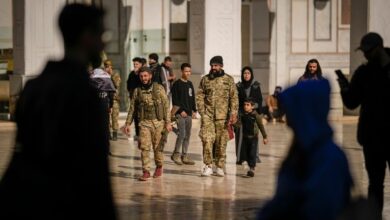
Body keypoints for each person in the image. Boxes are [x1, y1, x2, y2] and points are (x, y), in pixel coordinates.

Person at [0, 3, 116, 219]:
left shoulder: (34, 87)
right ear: (86, 37)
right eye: (101, 34)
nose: (103, 42)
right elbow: (93, 172)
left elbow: (23, 155)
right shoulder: (83, 94)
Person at [258, 79, 353, 220]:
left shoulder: (329, 159)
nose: (287, 114)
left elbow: (318, 210)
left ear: (304, 111)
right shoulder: (301, 148)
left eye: (292, 108)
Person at [336, 32, 390, 219]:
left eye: (368, 51)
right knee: (375, 184)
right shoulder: (364, 72)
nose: (365, 55)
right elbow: (352, 102)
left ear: (378, 48)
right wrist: (344, 87)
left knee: (375, 184)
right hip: (373, 138)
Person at [124, 67, 172, 181]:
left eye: (145, 76)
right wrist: (127, 124)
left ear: (150, 76)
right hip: (144, 123)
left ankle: (159, 166)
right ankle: (146, 171)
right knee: (145, 148)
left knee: (157, 148)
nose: (143, 78)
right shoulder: (137, 91)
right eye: (141, 76)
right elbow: (132, 109)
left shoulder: (159, 88)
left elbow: (166, 107)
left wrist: (168, 123)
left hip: (158, 123)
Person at [196, 55, 239, 177]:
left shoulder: (228, 80)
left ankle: (220, 166)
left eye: (216, 65)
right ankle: (208, 166)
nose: (213, 67)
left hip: (223, 118)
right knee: (207, 140)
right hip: (208, 116)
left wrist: (234, 113)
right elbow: (199, 96)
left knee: (221, 142)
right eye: (212, 65)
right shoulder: (205, 80)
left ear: (221, 66)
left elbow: (234, 97)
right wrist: (202, 112)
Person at [235, 66, 264, 164]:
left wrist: (252, 107)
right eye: (244, 73)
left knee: (253, 136)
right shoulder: (238, 86)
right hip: (241, 115)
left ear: (251, 75)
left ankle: (254, 157)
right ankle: (240, 158)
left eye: (248, 73)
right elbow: (235, 101)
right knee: (240, 136)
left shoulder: (256, 86)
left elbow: (259, 100)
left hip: (252, 115)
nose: (246, 75)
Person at [170, 63, 197, 165]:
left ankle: (184, 156)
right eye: (186, 71)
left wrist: (194, 110)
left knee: (187, 135)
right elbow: (175, 100)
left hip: (189, 114)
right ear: (182, 71)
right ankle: (176, 154)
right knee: (181, 134)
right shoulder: (176, 84)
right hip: (180, 114)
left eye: (189, 71)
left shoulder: (190, 84)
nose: (188, 73)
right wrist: (181, 111)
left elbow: (192, 98)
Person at [234, 98, 268, 177]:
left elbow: (261, 126)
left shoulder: (256, 116)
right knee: (246, 154)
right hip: (245, 138)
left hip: (253, 138)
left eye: (248, 105)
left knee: (252, 153)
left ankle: (252, 169)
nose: (245, 106)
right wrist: (234, 124)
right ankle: (250, 167)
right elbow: (239, 124)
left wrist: (265, 137)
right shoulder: (243, 115)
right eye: (244, 105)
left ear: (252, 106)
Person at [127, 57, 143, 140]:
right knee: (135, 116)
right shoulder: (132, 74)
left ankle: (142, 133)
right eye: (134, 64)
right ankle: (137, 134)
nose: (135, 65)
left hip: (142, 99)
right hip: (133, 98)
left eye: (136, 64)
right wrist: (130, 94)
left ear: (140, 64)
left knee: (142, 116)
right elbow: (128, 85)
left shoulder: (143, 74)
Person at [105, 59, 121, 141]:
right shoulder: (103, 75)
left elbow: (117, 85)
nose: (107, 68)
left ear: (111, 66)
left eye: (109, 66)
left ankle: (115, 133)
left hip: (114, 99)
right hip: (106, 98)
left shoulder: (115, 74)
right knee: (106, 118)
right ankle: (108, 133)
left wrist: (110, 75)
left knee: (114, 117)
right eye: (106, 66)